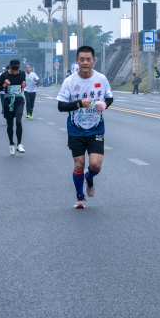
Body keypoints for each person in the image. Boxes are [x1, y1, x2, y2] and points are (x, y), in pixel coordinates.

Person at [56, 46, 113, 209]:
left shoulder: (101, 79)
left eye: (89, 59)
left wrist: (105, 105)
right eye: (82, 59)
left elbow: (109, 97)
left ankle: (90, 177)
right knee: (79, 164)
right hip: (76, 128)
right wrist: (79, 103)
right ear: (77, 61)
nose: (85, 62)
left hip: (96, 128)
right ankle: (80, 196)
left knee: (95, 164)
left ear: (94, 61)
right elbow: (61, 106)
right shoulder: (70, 81)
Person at [0, 60, 27, 154]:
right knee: (10, 124)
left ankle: (20, 144)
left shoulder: (22, 74)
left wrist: (23, 86)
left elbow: (23, 85)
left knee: (18, 120)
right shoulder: (4, 75)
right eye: (14, 70)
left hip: (19, 100)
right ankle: (11, 144)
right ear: (10, 68)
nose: (15, 72)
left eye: (17, 70)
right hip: (8, 101)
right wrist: (4, 85)